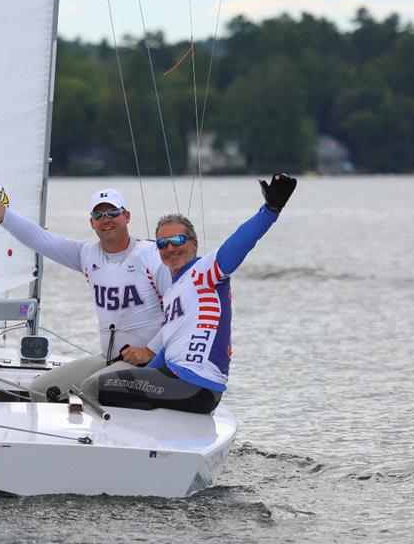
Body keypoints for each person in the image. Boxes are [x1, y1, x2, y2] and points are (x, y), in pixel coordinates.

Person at [81, 173, 298, 414]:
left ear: (194, 244)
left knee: (93, 386)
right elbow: (169, 347)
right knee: (113, 383)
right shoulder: (174, 291)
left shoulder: (203, 271)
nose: (170, 248)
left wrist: (270, 210)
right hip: (175, 380)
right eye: (163, 244)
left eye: (177, 240)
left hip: (194, 386)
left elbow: (238, 244)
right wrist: (142, 373)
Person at [0, 178, 170, 401]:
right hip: (111, 359)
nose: (106, 220)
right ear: (92, 223)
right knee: (41, 389)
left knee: (92, 389)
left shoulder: (152, 256)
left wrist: (151, 350)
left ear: (127, 216)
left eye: (113, 213)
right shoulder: (87, 255)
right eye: (99, 216)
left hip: (151, 362)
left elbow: (182, 312)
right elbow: (40, 239)